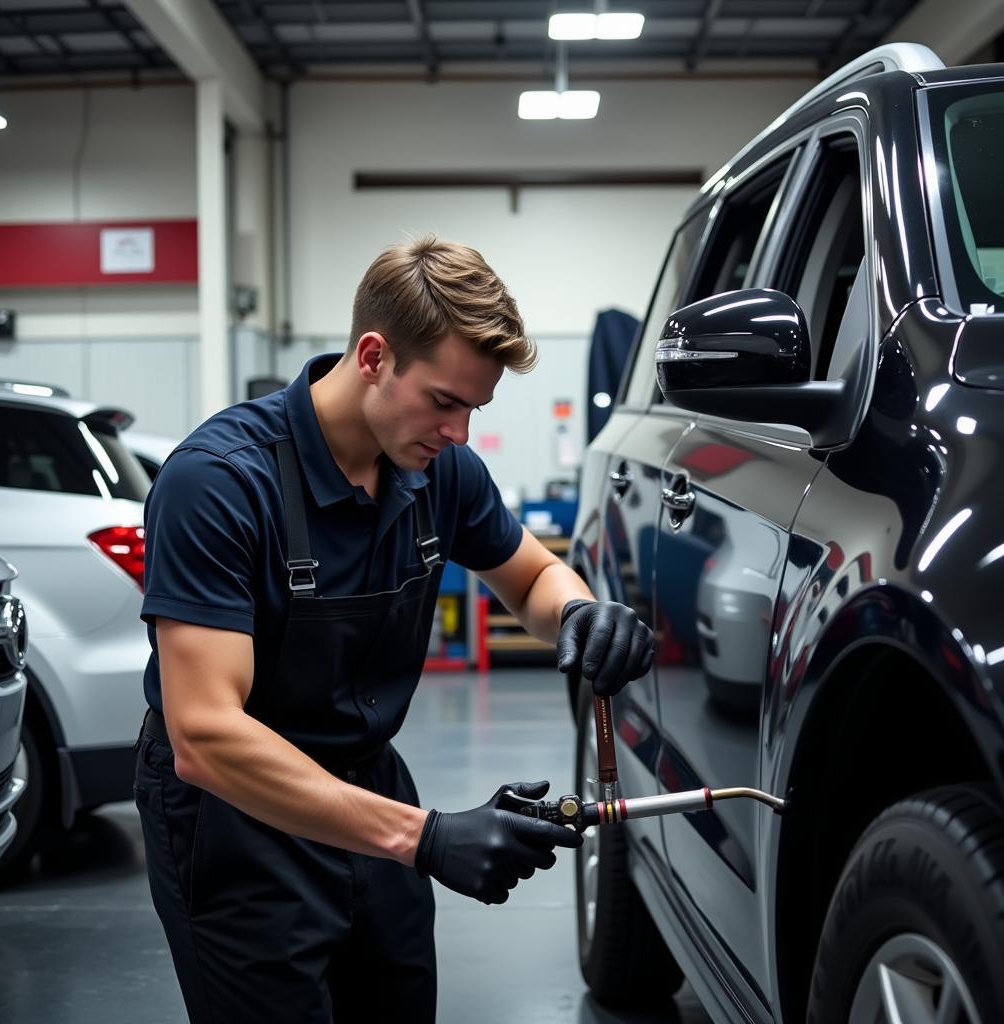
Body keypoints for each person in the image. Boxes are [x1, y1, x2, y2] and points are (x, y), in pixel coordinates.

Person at [134, 235, 655, 1024]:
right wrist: (427, 839)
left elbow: (533, 576)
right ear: (374, 355)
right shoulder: (218, 484)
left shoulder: (437, 470)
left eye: (473, 410)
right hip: (234, 818)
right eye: (445, 402)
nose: (460, 434)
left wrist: (578, 609)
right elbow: (205, 736)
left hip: (367, 777)